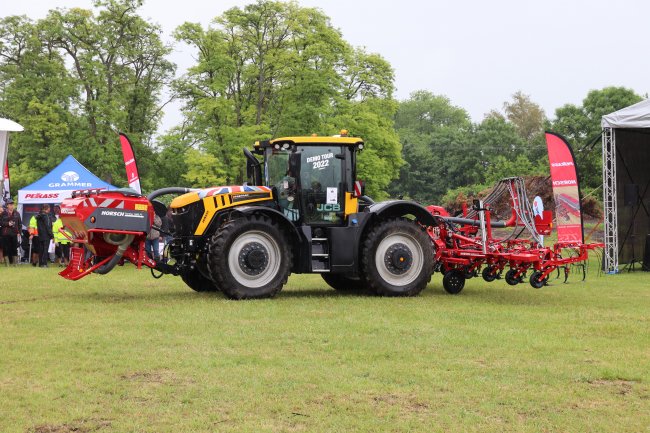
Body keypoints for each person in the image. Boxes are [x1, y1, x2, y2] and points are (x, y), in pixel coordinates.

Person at [0, 199, 22, 266]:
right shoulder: (3, 213)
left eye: (12, 204)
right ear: (7, 205)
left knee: (14, 248)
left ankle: (15, 263)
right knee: (6, 248)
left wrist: (19, 233)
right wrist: (7, 224)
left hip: (14, 233)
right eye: (10, 205)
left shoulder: (17, 213)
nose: (12, 206)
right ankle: (7, 263)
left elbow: (20, 224)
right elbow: (1, 222)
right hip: (5, 233)